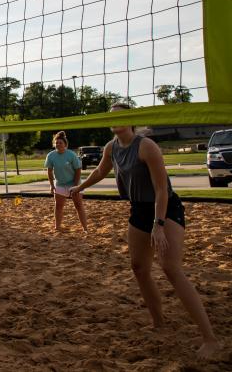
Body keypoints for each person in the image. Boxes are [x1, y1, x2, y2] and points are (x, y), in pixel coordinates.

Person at [70, 103, 220, 359]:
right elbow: (99, 171)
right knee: (139, 268)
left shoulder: (147, 146)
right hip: (139, 209)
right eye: (112, 118)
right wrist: (80, 187)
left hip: (165, 208)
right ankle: (159, 323)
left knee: (170, 268)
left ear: (132, 120)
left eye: (122, 117)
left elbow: (161, 189)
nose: (116, 121)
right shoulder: (111, 147)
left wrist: (158, 225)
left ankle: (210, 339)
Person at [44, 131, 88, 232]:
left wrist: (76, 186)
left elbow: (78, 170)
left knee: (78, 205)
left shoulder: (71, 155)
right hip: (60, 184)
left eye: (60, 142)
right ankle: (57, 227)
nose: (58, 144)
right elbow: (49, 172)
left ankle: (85, 228)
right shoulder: (51, 156)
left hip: (74, 183)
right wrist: (51, 185)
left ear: (65, 144)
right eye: (57, 142)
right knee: (58, 206)